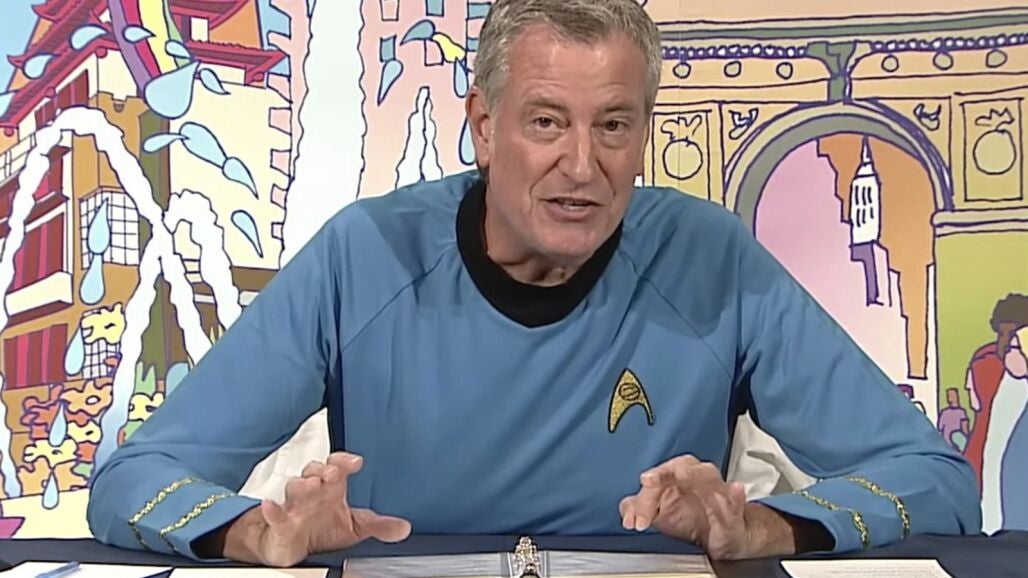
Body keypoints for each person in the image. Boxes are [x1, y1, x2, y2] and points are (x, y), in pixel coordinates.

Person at [86, 0, 980, 566]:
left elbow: (936, 483)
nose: (582, 167)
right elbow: (136, 478)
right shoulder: (366, 255)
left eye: (614, 126)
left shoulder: (710, 258)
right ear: (483, 125)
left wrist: (762, 528)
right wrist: (257, 533)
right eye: (547, 122)